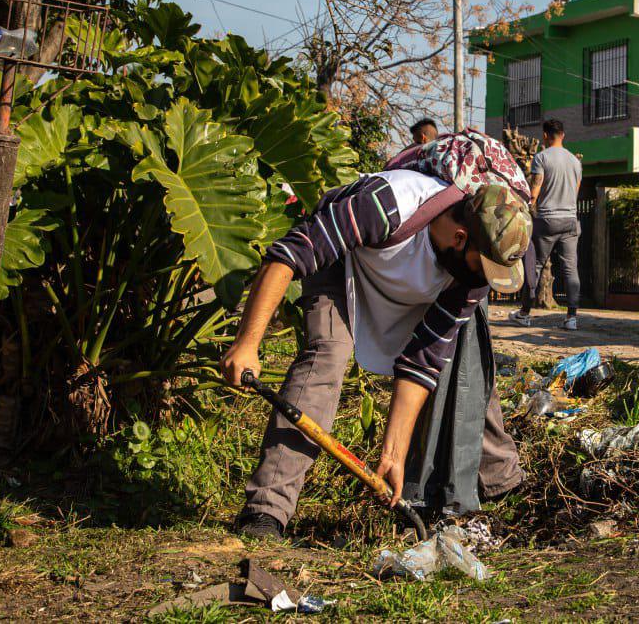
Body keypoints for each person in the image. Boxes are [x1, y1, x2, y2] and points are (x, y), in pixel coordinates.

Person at [220, 172, 530, 539]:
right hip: (342, 266)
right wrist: (247, 343)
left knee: (450, 367)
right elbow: (288, 255)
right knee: (327, 357)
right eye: (484, 265)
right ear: (460, 238)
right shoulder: (390, 205)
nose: (484, 279)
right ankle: (265, 511)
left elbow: (421, 361)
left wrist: (393, 455)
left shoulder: (469, 279)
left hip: (396, 293)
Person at [509, 119, 582, 331]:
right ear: (563, 135)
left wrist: (528, 203)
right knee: (570, 268)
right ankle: (571, 318)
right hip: (570, 220)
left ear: (545, 136)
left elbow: (535, 188)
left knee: (536, 265)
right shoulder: (575, 162)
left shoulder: (541, 157)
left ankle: (524, 313)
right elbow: (575, 191)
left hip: (547, 220)